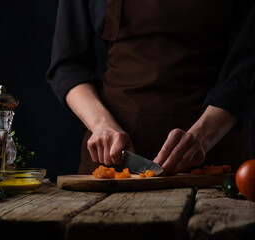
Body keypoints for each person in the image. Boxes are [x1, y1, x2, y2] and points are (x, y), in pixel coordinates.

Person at [47, 0, 255, 175]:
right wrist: (101, 125)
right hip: (114, 165)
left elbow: (248, 66)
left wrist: (203, 137)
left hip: (214, 162)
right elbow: (68, 65)